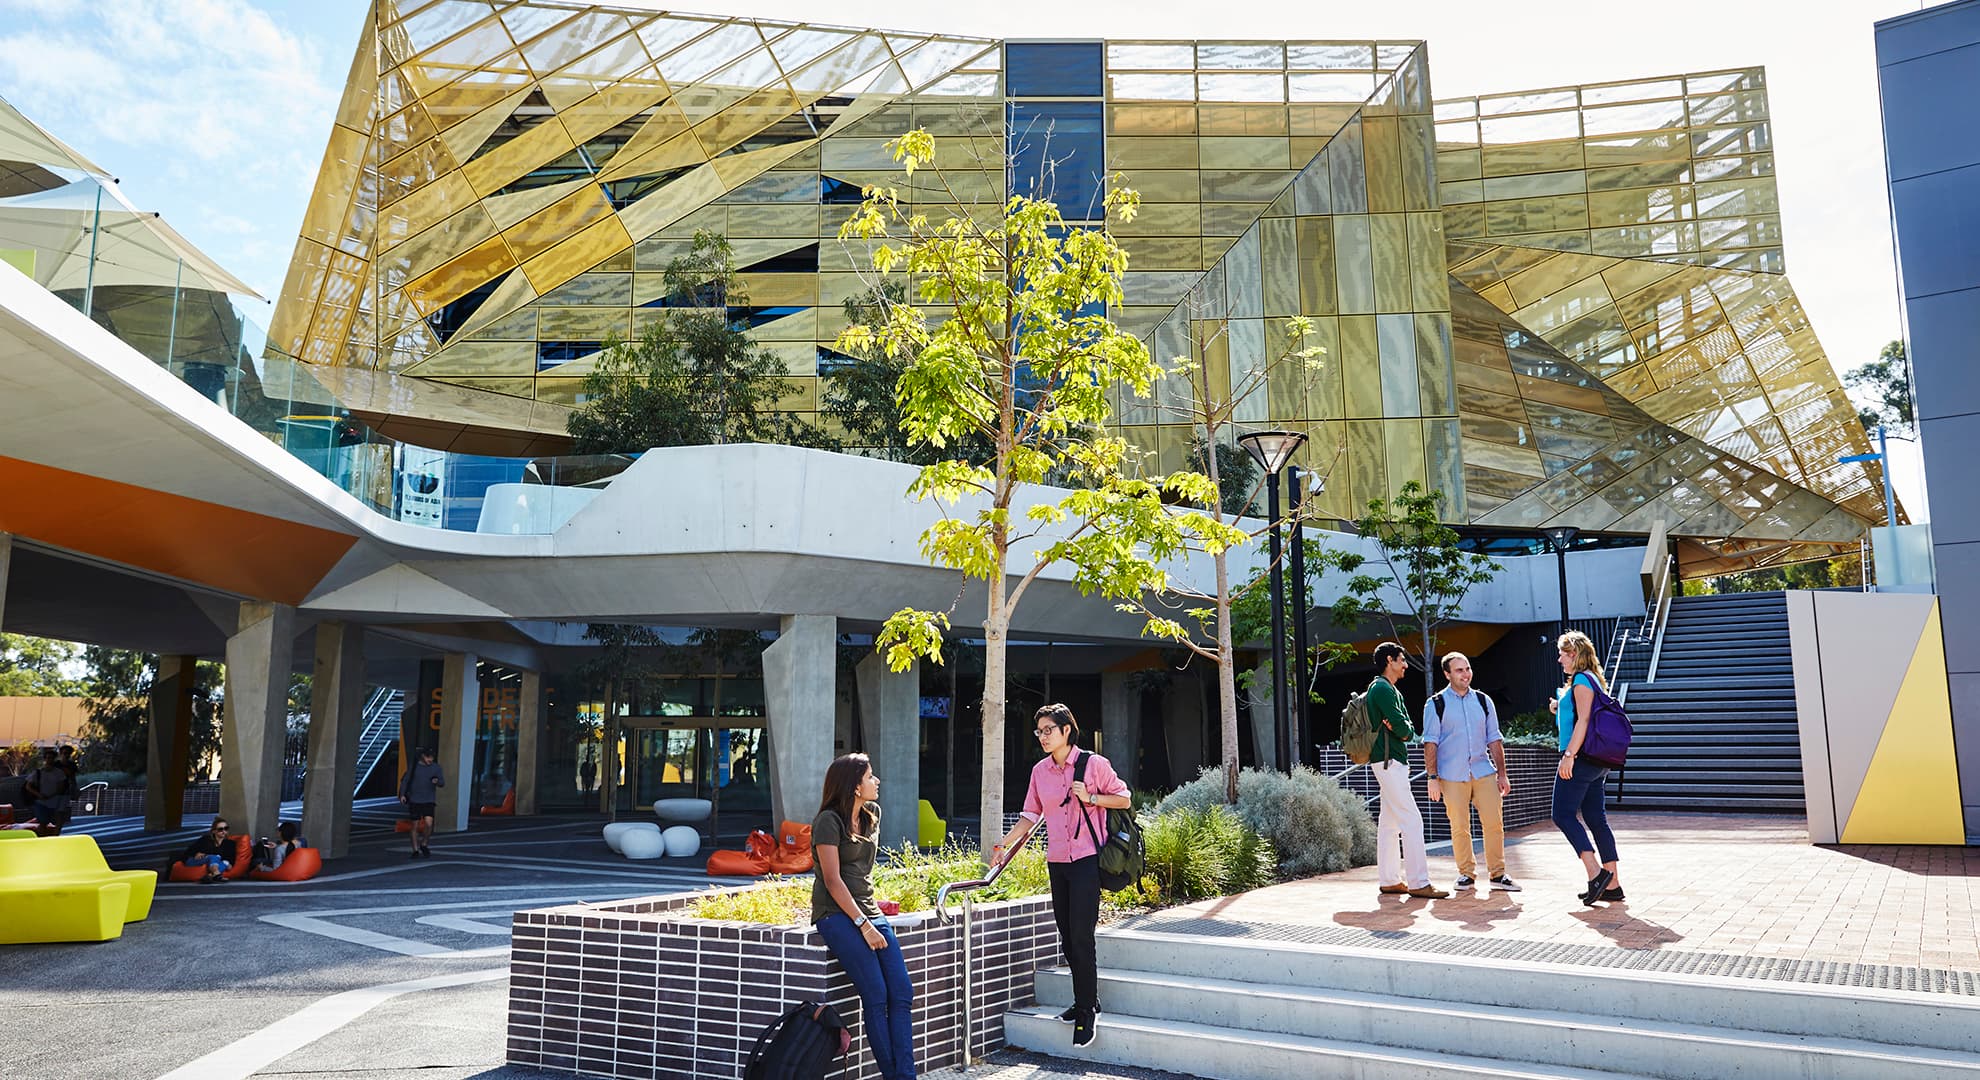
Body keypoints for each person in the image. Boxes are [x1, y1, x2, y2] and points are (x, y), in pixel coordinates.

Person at [992, 703, 1131, 1049]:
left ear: (1066, 730)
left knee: (1082, 937)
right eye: (1039, 731)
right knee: (1067, 938)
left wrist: (1093, 796)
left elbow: (1124, 799)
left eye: (1048, 730)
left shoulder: (1092, 764)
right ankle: (1087, 998)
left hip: (1086, 860)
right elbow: (1030, 814)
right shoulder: (1040, 771)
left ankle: (1086, 1012)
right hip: (1057, 862)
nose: (1042, 736)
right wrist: (1004, 843)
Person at [811, 753, 916, 1080]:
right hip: (836, 914)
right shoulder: (828, 821)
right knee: (876, 995)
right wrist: (863, 924)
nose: (877, 781)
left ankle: (906, 1076)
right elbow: (833, 880)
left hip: (867, 909)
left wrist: (873, 909)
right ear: (854, 786)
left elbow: (861, 872)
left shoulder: (871, 816)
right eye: (870, 776)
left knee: (902, 992)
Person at [1422, 652, 1518, 893]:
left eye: (1467, 669)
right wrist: (1432, 778)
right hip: (1452, 774)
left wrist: (1502, 773)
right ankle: (1466, 874)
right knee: (1459, 826)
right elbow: (1430, 742)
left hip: (1483, 770)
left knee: (1494, 824)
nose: (1466, 674)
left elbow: (1495, 738)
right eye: (1459, 670)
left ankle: (1498, 874)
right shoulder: (1436, 704)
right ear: (1447, 674)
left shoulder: (1484, 701)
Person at [1367, 643, 1449, 901]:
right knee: (1412, 820)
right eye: (1401, 660)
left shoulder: (1387, 689)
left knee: (1389, 823)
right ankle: (1419, 882)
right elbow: (1405, 731)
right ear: (1390, 660)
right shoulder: (1382, 689)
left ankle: (1390, 880)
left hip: (1388, 760)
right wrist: (1401, 727)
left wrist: (1402, 726)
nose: (1405, 665)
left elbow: (1407, 727)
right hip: (1389, 761)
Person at [1554, 630, 1624, 905]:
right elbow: (1580, 715)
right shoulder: (1593, 679)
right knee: (1596, 819)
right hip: (1597, 762)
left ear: (1573, 654)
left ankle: (1596, 873)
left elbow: (1583, 721)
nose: (1560, 659)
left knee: (1562, 814)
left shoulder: (1582, 680)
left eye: (1562, 653)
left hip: (1581, 759)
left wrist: (1569, 755)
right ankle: (1613, 884)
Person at [400, 746, 444, 858]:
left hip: (429, 799)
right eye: (429, 758)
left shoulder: (436, 768)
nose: (431, 760)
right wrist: (402, 794)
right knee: (415, 825)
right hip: (415, 799)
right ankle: (415, 850)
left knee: (429, 823)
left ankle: (424, 843)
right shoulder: (414, 767)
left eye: (432, 758)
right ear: (423, 757)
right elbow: (406, 780)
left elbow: (442, 782)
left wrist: (437, 781)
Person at [22, 749, 72, 835]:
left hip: (55, 801)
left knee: (58, 821)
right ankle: (42, 838)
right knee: (43, 822)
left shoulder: (59, 773)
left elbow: (61, 787)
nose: (50, 760)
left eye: (52, 758)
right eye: (48, 758)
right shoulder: (38, 772)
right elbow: (28, 786)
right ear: (45, 759)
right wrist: (38, 795)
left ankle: (54, 837)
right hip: (41, 802)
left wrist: (51, 795)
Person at [180, 818, 237, 883]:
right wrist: (196, 853)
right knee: (214, 857)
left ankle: (209, 876)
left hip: (214, 863)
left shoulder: (230, 844)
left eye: (226, 828)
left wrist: (229, 865)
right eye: (220, 829)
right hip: (194, 860)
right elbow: (188, 852)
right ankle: (217, 875)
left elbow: (230, 861)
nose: (224, 831)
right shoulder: (205, 839)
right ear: (214, 831)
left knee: (225, 862)